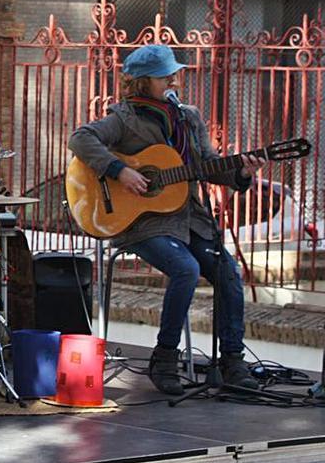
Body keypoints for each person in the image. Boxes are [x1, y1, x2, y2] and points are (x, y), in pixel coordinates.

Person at [67, 44, 266, 396]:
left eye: (173, 73)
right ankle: (165, 357)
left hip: (189, 218)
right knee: (186, 268)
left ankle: (232, 361)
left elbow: (207, 165)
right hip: (142, 223)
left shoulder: (188, 117)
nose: (173, 79)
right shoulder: (124, 118)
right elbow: (81, 138)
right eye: (164, 75)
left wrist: (241, 174)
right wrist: (121, 170)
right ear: (143, 82)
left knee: (228, 271)